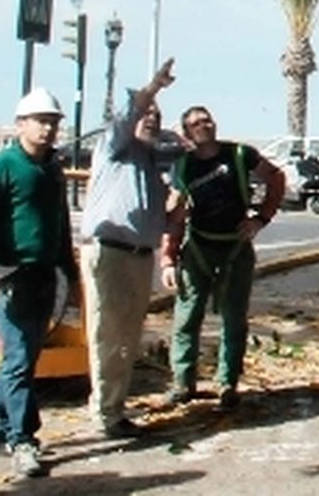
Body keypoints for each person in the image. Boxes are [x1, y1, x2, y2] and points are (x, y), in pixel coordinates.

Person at [0, 88, 81, 478]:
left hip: (43, 276)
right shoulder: (1, 167)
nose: (48, 129)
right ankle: (22, 437)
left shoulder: (52, 169)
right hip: (8, 277)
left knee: (22, 360)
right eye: (41, 121)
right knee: (17, 360)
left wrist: (69, 269)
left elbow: (60, 221)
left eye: (53, 122)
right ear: (21, 124)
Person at [160, 105, 285, 409]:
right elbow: (174, 216)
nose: (204, 125)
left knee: (234, 319)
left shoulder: (240, 155)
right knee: (186, 317)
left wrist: (261, 218)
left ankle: (228, 382)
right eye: (195, 123)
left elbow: (276, 178)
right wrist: (167, 258)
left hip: (235, 250)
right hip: (198, 249)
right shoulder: (184, 165)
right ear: (187, 133)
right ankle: (182, 382)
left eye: (207, 119)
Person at [78, 58, 177, 438]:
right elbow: (125, 115)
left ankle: (113, 408)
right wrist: (152, 88)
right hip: (110, 252)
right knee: (107, 332)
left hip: (139, 256)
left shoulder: (153, 165)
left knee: (127, 336)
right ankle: (105, 414)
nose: (150, 118)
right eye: (146, 113)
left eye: (157, 114)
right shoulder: (114, 148)